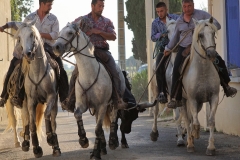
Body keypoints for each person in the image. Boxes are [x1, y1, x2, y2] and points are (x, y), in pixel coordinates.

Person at [61, 0, 136, 112]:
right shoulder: (82, 20)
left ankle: (118, 99)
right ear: (92, 6)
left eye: (102, 6)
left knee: (115, 72)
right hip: (86, 53)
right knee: (74, 75)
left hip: (102, 51)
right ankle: (70, 100)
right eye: (99, 6)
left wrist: (97, 31)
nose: (101, 8)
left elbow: (113, 36)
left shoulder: (106, 22)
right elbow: (70, 28)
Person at [164, 0, 237, 109]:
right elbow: (175, 37)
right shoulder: (179, 21)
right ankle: (175, 98)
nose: (187, 8)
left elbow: (217, 24)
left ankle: (227, 86)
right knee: (175, 69)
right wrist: (168, 48)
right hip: (184, 47)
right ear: (182, 7)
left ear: (193, 5)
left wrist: (203, 25)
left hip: (202, 46)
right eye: (185, 6)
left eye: (189, 6)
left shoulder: (202, 14)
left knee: (219, 62)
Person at [0, 0, 69, 108]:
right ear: (42, 4)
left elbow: (55, 35)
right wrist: (4, 27)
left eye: (51, 5)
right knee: (14, 68)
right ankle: (9, 96)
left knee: (61, 69)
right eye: (49, 5)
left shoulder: (53, 19)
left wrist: (37, 34)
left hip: (48, 48)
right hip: (30, 49)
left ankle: (65, 99)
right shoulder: (29, 17)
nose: (51, 7)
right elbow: (15, 24)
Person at [151, 2, 179, 103]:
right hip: (164, 49)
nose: (160, 13)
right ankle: (162, 93)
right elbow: (153, 37)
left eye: (161, 11)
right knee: (158, 66)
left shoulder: (176, 18)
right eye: (158, 12)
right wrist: (161, 35)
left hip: (177, 47)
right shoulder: (155, 23)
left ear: (166, 10)